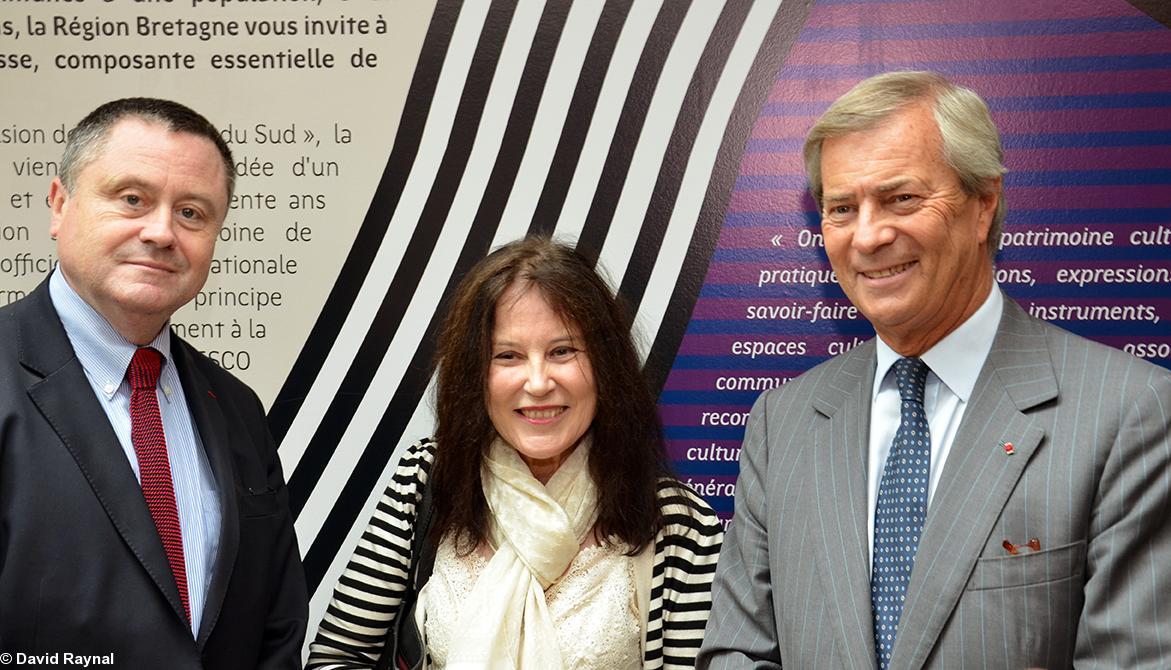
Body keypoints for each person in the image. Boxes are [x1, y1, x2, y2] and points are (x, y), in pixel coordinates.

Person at [697, 71, 1171, 669]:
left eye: (901, 199)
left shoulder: (1130, 414)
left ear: (983, 205)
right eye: (842, 208)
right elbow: (737, 652)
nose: (869, 236)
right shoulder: (781, 422)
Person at [307, 236, 723, 669]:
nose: (539, 382)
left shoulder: (678, 524)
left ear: (605, 364)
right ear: (474, 373)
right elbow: (340, 656)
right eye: (508, 355)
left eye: (562, 351)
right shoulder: (428, 477)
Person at [0, 98, 308, 668]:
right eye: (132, 199)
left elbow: (277, 622)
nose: (162, 232)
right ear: (60, 204)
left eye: (192, 213)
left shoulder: (236, 407)